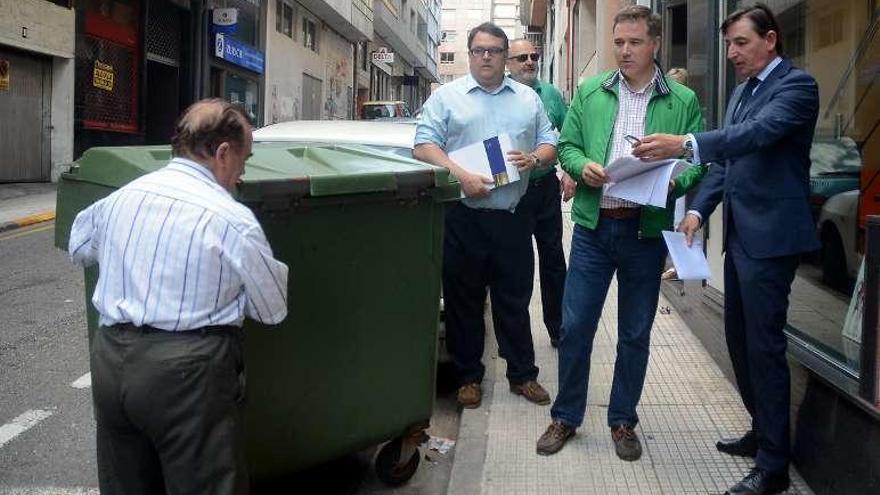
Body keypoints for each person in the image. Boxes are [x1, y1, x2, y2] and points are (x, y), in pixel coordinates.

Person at [633, 4, 819, 494]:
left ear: (771, 40)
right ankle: (762, 432)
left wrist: (685, 142)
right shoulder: (741, 92)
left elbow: (753, 136)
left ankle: (775, 467)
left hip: (773, 239)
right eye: (729, 44)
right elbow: (726, 164)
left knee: (764, 346)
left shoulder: (797, 87)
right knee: (739, 340)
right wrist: (697, 211)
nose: (732, 53)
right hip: (740, 236)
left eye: (741, 43)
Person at [68, 99, 289, 495]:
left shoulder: (121, 198)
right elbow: (272, 310)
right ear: (223, 153)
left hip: (111, 361)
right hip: (186, 376)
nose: (241, 174)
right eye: (245, 159)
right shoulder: (230, 219)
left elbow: (79, 247)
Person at [535, 5, 706, 461]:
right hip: (594, 229)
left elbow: (697, 162)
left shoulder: (682, 100)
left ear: (654, 44)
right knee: (575, 328)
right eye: (618, 42)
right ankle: (566, 416)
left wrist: (675, 182)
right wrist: (580, 166)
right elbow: (567, 145)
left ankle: (622, 419)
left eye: (634, 42)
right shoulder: (591, 91)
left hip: (644, 236)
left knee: (635, 332)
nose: (624, 51)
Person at [414, 22, 558, 409]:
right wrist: (461, 176)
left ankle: (522, 374)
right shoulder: (447, 98)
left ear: (505, 55)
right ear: (470, 52)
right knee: (464, 301)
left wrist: (534, 158)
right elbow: (423, 145)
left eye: (495, 50)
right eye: (480, 50)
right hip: (463, 216)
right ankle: (468, 377)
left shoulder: (528, 99)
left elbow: (550, 142)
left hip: (512, 216)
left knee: (515, 299)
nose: (487, 57)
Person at [505, 38, 575, 348]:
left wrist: (570, 171)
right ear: (508, 63)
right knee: (515, 266)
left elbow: (571, 136)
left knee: (553, 260)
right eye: (521, 57)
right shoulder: (500, 95)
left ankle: (558, 328)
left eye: (534, 56)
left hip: (545, 187)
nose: (530, 62)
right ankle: (515, 340)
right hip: (512, 192)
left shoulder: (551, 95)